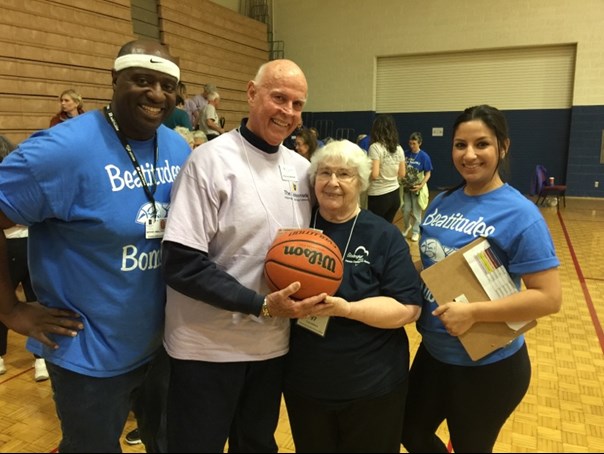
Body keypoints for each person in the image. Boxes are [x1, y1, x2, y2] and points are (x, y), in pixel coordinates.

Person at [0, 38, 191, 452]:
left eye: (167, 85)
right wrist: (10, 309)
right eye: (142, 80)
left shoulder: (176, 146)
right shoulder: (61, 151)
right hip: (88, 355)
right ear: (114, 79)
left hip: (163, 345)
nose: (156, 94)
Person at [161, 59, 326, 453]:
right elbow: (181, 263)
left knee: (256, 445)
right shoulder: (209, 161)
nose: (288, 112)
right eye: (279, 97)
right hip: (205, 347)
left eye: (297, 104)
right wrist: (260, 304)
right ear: (252, 93)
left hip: (271, 347)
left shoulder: (303, 169)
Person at [400, 104, 562, 453]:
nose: (469, 154)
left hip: (489, 366)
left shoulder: (520, 214)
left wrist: (473, 313)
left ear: (503, 147)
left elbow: (549, 298)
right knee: (410, 432)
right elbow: (431, 265)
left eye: (482, 144)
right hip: (434, 352)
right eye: (460, 145)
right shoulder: (442, 202)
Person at [283, 139, 423, 453]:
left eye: (344, 174)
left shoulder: (384, 235)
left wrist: (347, 309)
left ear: (360, 182)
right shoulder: (296, 228)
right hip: (305, 383)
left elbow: (408, 308)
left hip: (371, 384)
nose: (332, 182)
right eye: (324, 173)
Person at [0, 135, 49, 382]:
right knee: (32, 300)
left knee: (17, 301)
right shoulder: (18, 171)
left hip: (19, 243)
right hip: (25, 243)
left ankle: (34, 359)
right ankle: (41, 361)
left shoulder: (15, 176)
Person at [366, 114, 406, 223]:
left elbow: (374, 175)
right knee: (386, 228)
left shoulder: (375, 147)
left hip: (379, 196)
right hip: (395, 195)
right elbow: (402, 174)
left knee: (374, 229)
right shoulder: (399, 148)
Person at [401, 131, 432, 242]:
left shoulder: (424, 157)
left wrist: (421, 185)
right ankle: (406, 227)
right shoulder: (405, 153)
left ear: (420, 143)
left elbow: (428, 173)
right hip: (406, 188)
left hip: (417, 189)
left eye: (414, 143)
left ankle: (415, 232)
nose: (412, 146)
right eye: (410, 143)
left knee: (416, 212)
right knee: (405, 210)